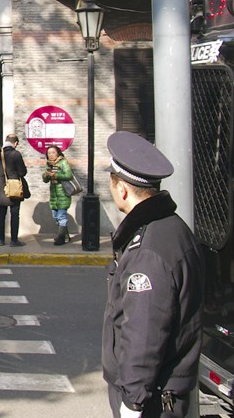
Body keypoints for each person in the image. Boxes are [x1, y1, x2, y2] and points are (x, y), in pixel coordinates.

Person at [102, 131, 204, 418]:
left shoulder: (147, 250)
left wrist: (133, 402)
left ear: (121, 189)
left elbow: (143, 332)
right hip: (166, 391)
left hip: (153, 399)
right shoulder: (173, 227)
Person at [0, 133, 28, 246]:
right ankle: (14, 240)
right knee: (15, 214)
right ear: (15, 143)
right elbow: (22, 172)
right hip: (14, 187)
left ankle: (0, 240)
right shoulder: (15, 154)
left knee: (1, 214)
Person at [42, 145, 75, 246]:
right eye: (49, 153)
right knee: (55, 216)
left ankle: (61, 238)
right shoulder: (49, 165)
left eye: (53, 152)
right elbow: (44, 179)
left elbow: (69, 175)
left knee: (61, 216)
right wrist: (46, 175)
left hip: (63, 194)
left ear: (58, 153)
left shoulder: (63, 162)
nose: (51, 155)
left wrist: (56, 175)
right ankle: (65, 235)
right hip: (54, 195)